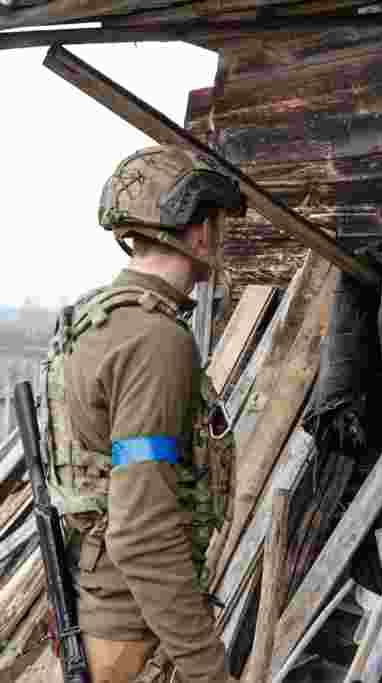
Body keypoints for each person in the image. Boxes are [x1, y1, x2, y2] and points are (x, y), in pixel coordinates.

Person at [41, 145, 245, 682]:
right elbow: (142, 531)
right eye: (217, 223)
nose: (218, 238)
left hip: (101, 608)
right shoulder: (156, 339)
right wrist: (206, 669)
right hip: (131, 629)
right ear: (198, 231)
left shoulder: (94, 319)